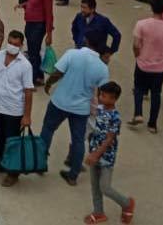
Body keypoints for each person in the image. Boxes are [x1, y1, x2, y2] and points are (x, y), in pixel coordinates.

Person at [41, 33, 111, 186]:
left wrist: (48, 83)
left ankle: (40, 163)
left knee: (48, 129)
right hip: (81, 108)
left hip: (59, 101)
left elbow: (58, 72)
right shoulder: (102, 68)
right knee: (78, 140)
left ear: (86, 40)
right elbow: (103, 92)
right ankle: (73, 175)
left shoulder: (72, 54)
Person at [0, 30, 34, 187]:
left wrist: (27, 116)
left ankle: (13, 173)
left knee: (13, 142)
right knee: (1, 137)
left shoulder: (25, 65)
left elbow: (28, 91)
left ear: (21, 45)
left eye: (16, 44)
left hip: (14, 110)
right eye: (10, 42)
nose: (12, 46)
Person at [84, 82, 136, 224]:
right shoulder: (99, 109)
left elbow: (109, 139)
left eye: (105, 96)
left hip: (106, 157)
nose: (101, 98)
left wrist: (96, 155)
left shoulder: (115, 117)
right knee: (95, 185)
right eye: (101, 94)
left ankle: (126, 203)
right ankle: (99, 212)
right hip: (94, 151)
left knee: (105, 187)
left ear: (114, 99)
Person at [129, 0, 163, 134]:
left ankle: (138, 113)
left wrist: (137, 55)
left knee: (138, 88)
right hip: (160, 68)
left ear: (151, 8)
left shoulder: (141, 24)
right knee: (156, 94)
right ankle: (152, 124)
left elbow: (135, 44)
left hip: (143, 63)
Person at [19, 0, 54, 85]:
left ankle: (31, 80)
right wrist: (23, 5)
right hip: (30, 23)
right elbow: (32, 3)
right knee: (33, 51)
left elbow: (49, 14)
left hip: (38, 25)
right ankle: (39, 76)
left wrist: (49, 34)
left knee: (33, 53)